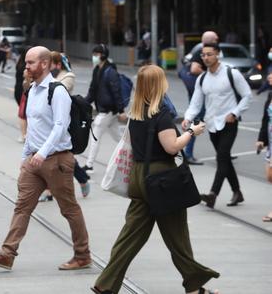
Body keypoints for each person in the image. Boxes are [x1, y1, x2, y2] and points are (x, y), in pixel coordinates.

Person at [93, 65, 219, 294]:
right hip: (162, 180)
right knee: (177, 237)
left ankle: (105, 285)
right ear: (159, 84)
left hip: (139, 178)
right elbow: (171, 147)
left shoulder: (136, 112)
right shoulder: (161, 115)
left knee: (129, 237)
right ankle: (194, 286)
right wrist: (192, 132)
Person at [0, 46, 91, 271]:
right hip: (34, 161)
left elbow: (60, 126)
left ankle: (83, 255)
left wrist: (42, 153)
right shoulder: (31, 90)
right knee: (22, 207)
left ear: (45, 64)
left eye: (30, 63)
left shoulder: (57, 91)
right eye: (26, 63)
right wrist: (26, 156)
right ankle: (6, 254)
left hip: (57, 160)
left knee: (68, 209)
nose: (26, 67)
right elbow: (33, 127)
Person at [183, 43, 252, 208]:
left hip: (229, 123)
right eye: (203, 55)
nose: (206, 58)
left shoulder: (231, 73)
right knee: (225, 159)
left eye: (210, 54)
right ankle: (237, 192)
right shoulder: (202, 79)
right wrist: (188, 118)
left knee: (221, 156)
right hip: (212, 125)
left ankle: (213, 194)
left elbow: (247, 95)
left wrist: (235, 113)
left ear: (218, 55)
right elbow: (196, 103)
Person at [50, 51, 91, 198]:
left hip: (63, 122)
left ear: (58, 64)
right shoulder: (49, 77)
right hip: (49, 121)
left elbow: (56, 93)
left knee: (62, 155)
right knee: (53, 156)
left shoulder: (68, 77)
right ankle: (80, 179)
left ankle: (81, 179)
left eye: (51, 63)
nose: (48, 67)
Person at [84, 44, 127, 172]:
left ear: (103, 55)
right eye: (94, 54)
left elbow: (116, 92)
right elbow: (92, 90)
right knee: (118, 137)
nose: (94, 57)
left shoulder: (110, 72)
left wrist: (121, 110)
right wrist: (84, 103)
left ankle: (89, 165)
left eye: (96, 55)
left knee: (95, 135)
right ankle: (135, 155)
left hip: (108, 110)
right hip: (107, 111)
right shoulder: (97, 70)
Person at [181, 31, 220, 165]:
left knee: (208, 118)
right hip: (199, 91)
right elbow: (194, 69)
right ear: (210, 41)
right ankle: (188, 154)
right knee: (198, 121)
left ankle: (222, 151)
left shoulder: (200, 48)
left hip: (197, 89)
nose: (217, 40)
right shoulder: (201, 51)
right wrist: (210, 74)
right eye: (216, 39)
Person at [257, 72, 272, 223]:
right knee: (269, 175)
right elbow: (266, 118)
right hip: (271, 141)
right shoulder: (270, 95)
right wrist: (261, 139)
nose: (269, 76)